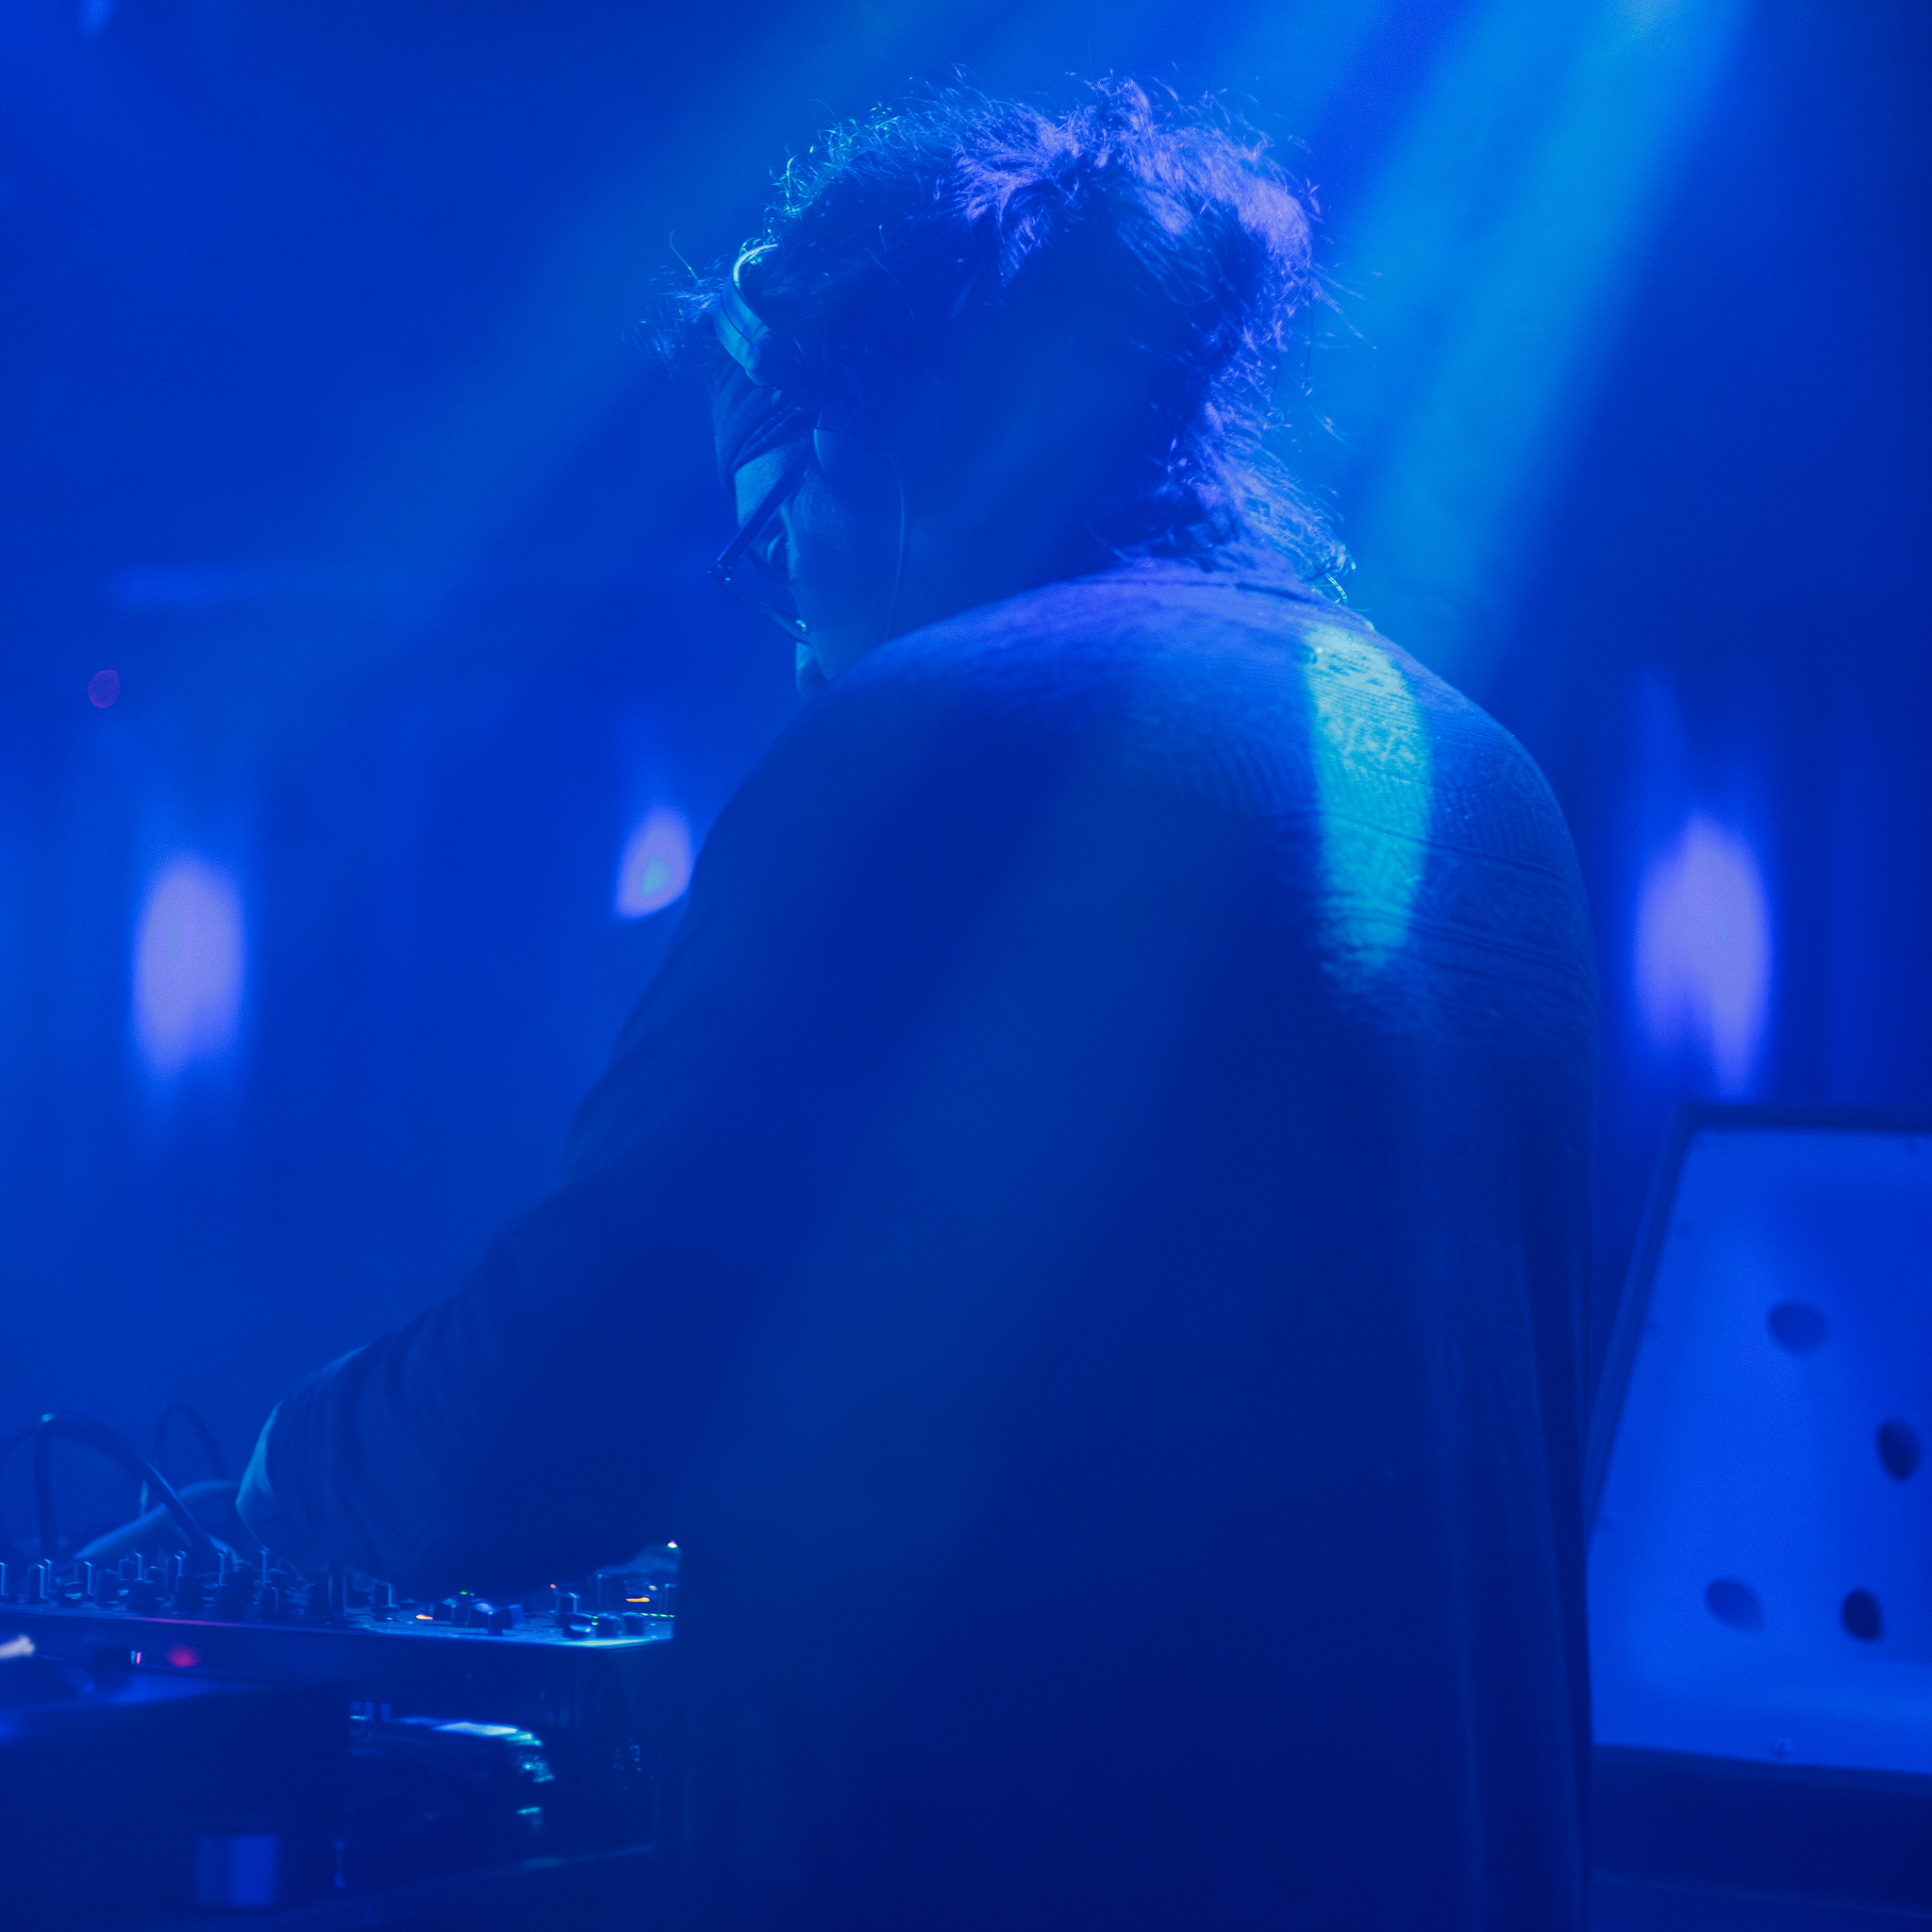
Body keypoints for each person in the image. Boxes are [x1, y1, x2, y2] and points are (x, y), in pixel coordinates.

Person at [240, 81, 1598, 1930]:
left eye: (769, 532)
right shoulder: (1480, 778)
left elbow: (548, 1408)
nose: (792, 630)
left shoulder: (935, 735)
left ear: (871, 442)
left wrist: (289, 1470)